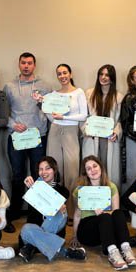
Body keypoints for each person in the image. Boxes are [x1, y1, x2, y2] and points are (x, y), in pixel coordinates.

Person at [4, 52, 52, 232]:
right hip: (17, 136)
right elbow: (3, 112)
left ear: (34, 65)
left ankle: (36, 211)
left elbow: (50, 109)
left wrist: (41, 104)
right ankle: (15, 210)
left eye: (29, 63)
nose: (26, 66)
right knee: (17, 174)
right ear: (19, 64)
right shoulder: (9, 86)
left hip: (38, 135)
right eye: (23, 63)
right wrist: (13, 125)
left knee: (38, 174)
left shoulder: (45, 86)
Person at [72, 156, 136, 270]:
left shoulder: (111, 186)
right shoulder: (80, 190)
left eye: (95, 166)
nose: (93, 170)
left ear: (101, 167)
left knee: (118, 213)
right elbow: (77, 214)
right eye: (88, 169)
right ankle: (112, 253)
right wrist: (75, 236)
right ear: (85, 173)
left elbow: (115, 212)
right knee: (104, 217)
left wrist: (104, 212)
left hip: (106, 228)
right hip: (88, 229)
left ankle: (126, 249)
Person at [18, 156, 87, 262]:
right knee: (26, 228)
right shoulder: (33, 189)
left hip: (50, 231)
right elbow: (31, 217)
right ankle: (65, 252)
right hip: (34, 231)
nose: (44, 172)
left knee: (61, 213)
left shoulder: (63, 191)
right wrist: (32, 189)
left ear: (54, 170)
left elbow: (59, 213)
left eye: (47, 168)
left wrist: (56, 205)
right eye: (41, 169)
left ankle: (31, 247)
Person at [42, 63, 88, 215]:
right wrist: (41, 103)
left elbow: (83, 115)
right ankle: (55, 211)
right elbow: (51, 117)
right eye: (59, 74)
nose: (62, 76)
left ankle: (72, 212)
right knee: (53, 170)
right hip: (55, 131)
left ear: (70, 74)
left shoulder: (79, 92)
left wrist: (64, 117)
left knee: (72, 172)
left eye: (65, 73)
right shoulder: (53, 94)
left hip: (71, 131)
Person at [82, 64, 123, 190]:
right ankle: (91, 197)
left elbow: (120, 120)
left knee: (108, 169)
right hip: (92, 138)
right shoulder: (89, 94)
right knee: (92, 169)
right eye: (101, 74)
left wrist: (116, 132)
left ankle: (111, 197)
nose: (103, 77)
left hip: (109, 140)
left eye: (107, 75)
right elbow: (83, 116)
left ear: (112, 78)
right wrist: (85, 129)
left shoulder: (118, 97)